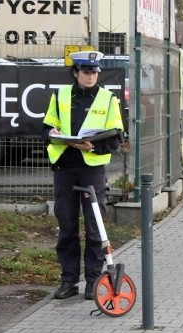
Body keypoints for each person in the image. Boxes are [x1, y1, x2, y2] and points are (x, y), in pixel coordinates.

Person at [41, 51, 125, 300]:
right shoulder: (60, 96)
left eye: (95, 71)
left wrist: (94, 147)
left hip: (91, 170)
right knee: (66, 227)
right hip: (64, 167)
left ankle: (92, 281)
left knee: (94, 228)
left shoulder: (108, 99)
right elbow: (45, 129)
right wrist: (53, 133)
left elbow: (116, 137)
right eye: (86, 71)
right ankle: (68, 281)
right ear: (76, 72)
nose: (91, 76)